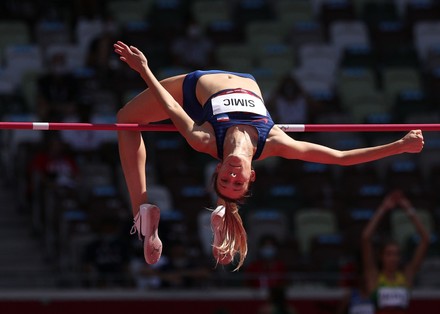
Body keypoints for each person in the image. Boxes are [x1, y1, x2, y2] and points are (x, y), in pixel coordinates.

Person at [113, 41, 424, 270]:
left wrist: (144, 69)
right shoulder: (274, 141)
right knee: (130, 120)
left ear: (219, 167)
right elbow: (340, 157)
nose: (233, 174)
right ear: (252, 176)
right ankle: (223, 210)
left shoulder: (203, 139)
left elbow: (169, 106)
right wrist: (399, 146)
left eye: (226, 178)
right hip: (246, 81)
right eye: (238, 182)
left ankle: (142, 209)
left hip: (195, 88)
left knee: (125, 119)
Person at [361, 190, 430, 314]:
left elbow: (425, 239)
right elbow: (366, 238)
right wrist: (383, 208)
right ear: (382, 257)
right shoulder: (374, 276)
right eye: (389, 254)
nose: (393, 258)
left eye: (396, 254)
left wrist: (409, 210)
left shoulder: (406, 276)